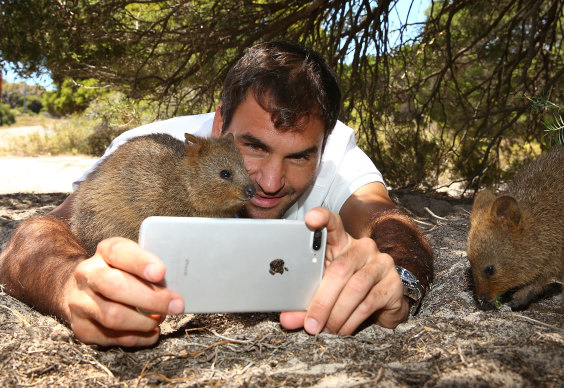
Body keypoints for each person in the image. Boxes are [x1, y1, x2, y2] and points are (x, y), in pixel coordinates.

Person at [0, 41, 434, 347]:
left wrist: (398, 281)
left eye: (299, 157)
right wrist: (65, 283)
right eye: (254, 147)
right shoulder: (157, 145)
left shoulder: (333, 151)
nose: (267, 182)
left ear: (322, 144)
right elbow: (37, 235)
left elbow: (389, 223)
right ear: (220, 121)